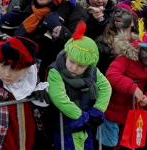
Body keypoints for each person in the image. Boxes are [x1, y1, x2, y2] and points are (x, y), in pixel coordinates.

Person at [98, 30, 147, 150]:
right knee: (109, 144)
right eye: (146, 52)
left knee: (127, 144)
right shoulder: (126, 58)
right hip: (111, 108)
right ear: (139, 48)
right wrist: (133, 88)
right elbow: (112, 74)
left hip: (132, 112)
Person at [46, 21, 111, 150]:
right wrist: (81, 116)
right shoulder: (55, 71)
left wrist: (98, 109)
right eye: (71, 61)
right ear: (67, 54)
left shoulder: (92, 70)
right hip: (66, 129)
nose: (74, 68)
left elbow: (106, 87)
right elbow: (59, 98)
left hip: (85, 128)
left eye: (81, 66)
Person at [0, 36, 51, 150]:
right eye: (3, 66)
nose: (6, 74)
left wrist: (38, 90)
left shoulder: (29, 82)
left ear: (26, 69)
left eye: (14, 69)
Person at [0, 0, 88, 81]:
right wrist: (7, 27)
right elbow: (16, 44)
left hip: (53, 81)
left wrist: (59, 31)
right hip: (19, 77)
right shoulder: (25, 5)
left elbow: (78, 50)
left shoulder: (73, 10)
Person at [95, 0, 145, 75]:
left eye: (125, 13)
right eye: (117, 12)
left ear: (133, 22)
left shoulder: (142, 43)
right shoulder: (103, 42)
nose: (119, 15)